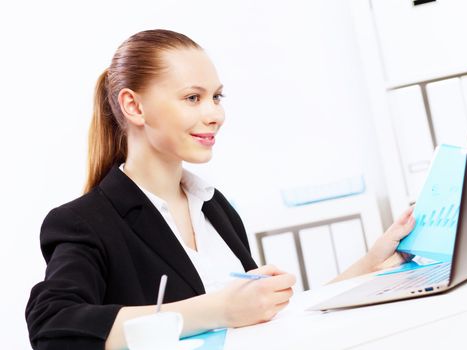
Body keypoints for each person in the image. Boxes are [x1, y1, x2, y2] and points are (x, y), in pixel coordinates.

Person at [25, 29, 415, 350]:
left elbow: (262, 318)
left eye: (216, 97)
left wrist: (368, 268)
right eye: (193, 98)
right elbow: (53, 329)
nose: (215, 114)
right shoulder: (84, 222)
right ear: (134, 107)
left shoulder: (215, 207)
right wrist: (217, 310)